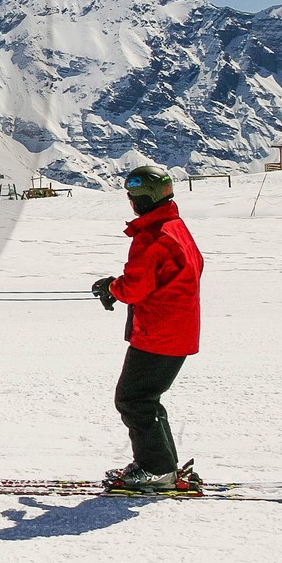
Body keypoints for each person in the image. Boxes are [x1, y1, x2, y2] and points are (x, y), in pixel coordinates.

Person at [91, 164, 205, 491]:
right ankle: (164, 464)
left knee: (133, 399)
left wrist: (113, 288)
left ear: (141, 201)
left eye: (131, 196)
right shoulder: (174, 226)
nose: (130, 202)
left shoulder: (152, 237)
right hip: (179, 329)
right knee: (147, 398)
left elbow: (136, 287)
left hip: (158, 334)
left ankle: (156, 469)